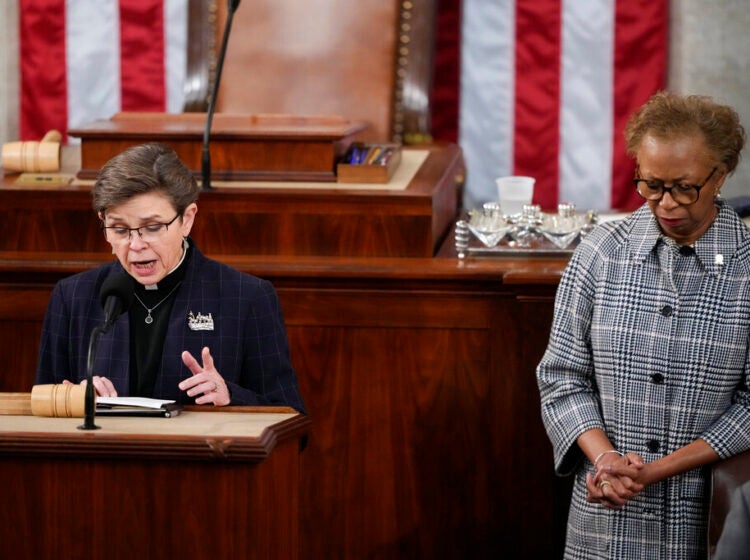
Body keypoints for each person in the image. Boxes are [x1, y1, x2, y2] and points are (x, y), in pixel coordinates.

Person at [536, 91, 750, 558]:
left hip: (710, 520)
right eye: (651, 185)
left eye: (684, 186)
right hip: (604, 513)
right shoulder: (600, 251)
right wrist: (606, 460)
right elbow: (562, 378)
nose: (666, 204)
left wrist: (658, 470)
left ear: (722, 175)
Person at [35, 143, 305, 412]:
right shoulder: (72, 297)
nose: (136, 244)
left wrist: (230, 396)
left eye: (152, 228)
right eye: (119, 229)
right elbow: (41, 410)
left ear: (187, 219)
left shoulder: (247, 297)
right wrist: (71, 400)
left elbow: (290, 416)